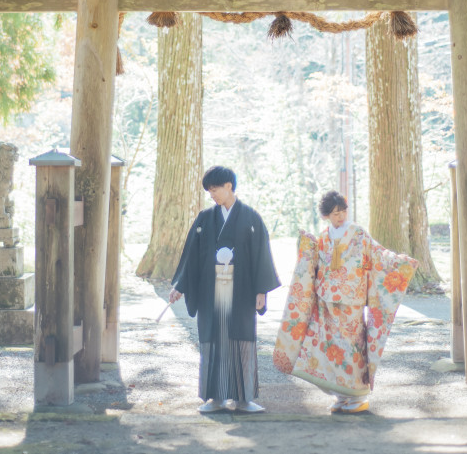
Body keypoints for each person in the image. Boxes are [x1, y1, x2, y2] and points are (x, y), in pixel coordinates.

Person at [273, 191, 418, 414]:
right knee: (331, 346)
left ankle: (358, 395)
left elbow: (376, 252)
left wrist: (397, 260)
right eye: (334, 213)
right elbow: (316, 264)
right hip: (326, 298)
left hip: (351, 298)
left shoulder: (357, 233)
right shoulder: (324, 236)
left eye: (342, 212)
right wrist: (307, 246)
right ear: (326, 216)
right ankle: (341, 394)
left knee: (352, 345)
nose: (340, 217)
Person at [169, 166, 281, 414]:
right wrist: (181, 286)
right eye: (209, 191)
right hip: (211, 291)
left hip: (241, 291)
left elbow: (262, 256)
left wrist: (261, 291)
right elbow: (192, 256)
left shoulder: (251, 218)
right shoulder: (205, 219)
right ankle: (215, 398)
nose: (212, 195)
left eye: (215, 189)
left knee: (242, 340)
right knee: (214, 340)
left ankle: (244, 399)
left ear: (229, 186)